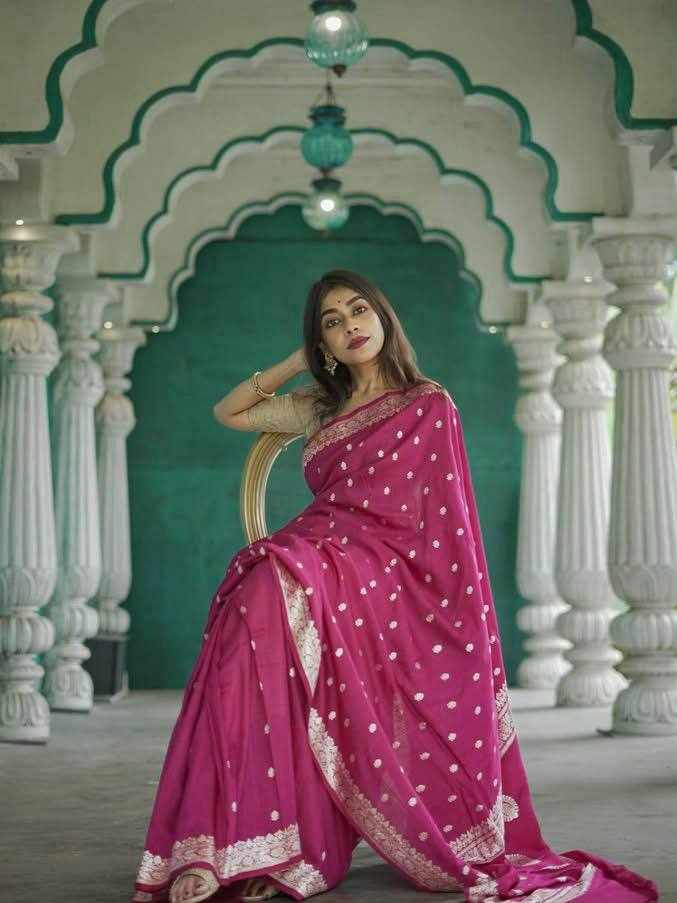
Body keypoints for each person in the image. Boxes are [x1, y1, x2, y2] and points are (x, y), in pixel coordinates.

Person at [131, 270, 659, 903]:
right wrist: (297, 362)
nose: (350, 326)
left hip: (392, 574)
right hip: (321, 554)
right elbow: (230, 411)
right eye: (331, 321)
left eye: (359, 311)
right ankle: (237, 844)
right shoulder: (318, 406)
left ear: (383, 318)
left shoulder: (428, 404)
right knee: (255, 604)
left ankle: (258, 845)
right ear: (322, 341)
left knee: (272, 583)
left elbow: (446, 526)